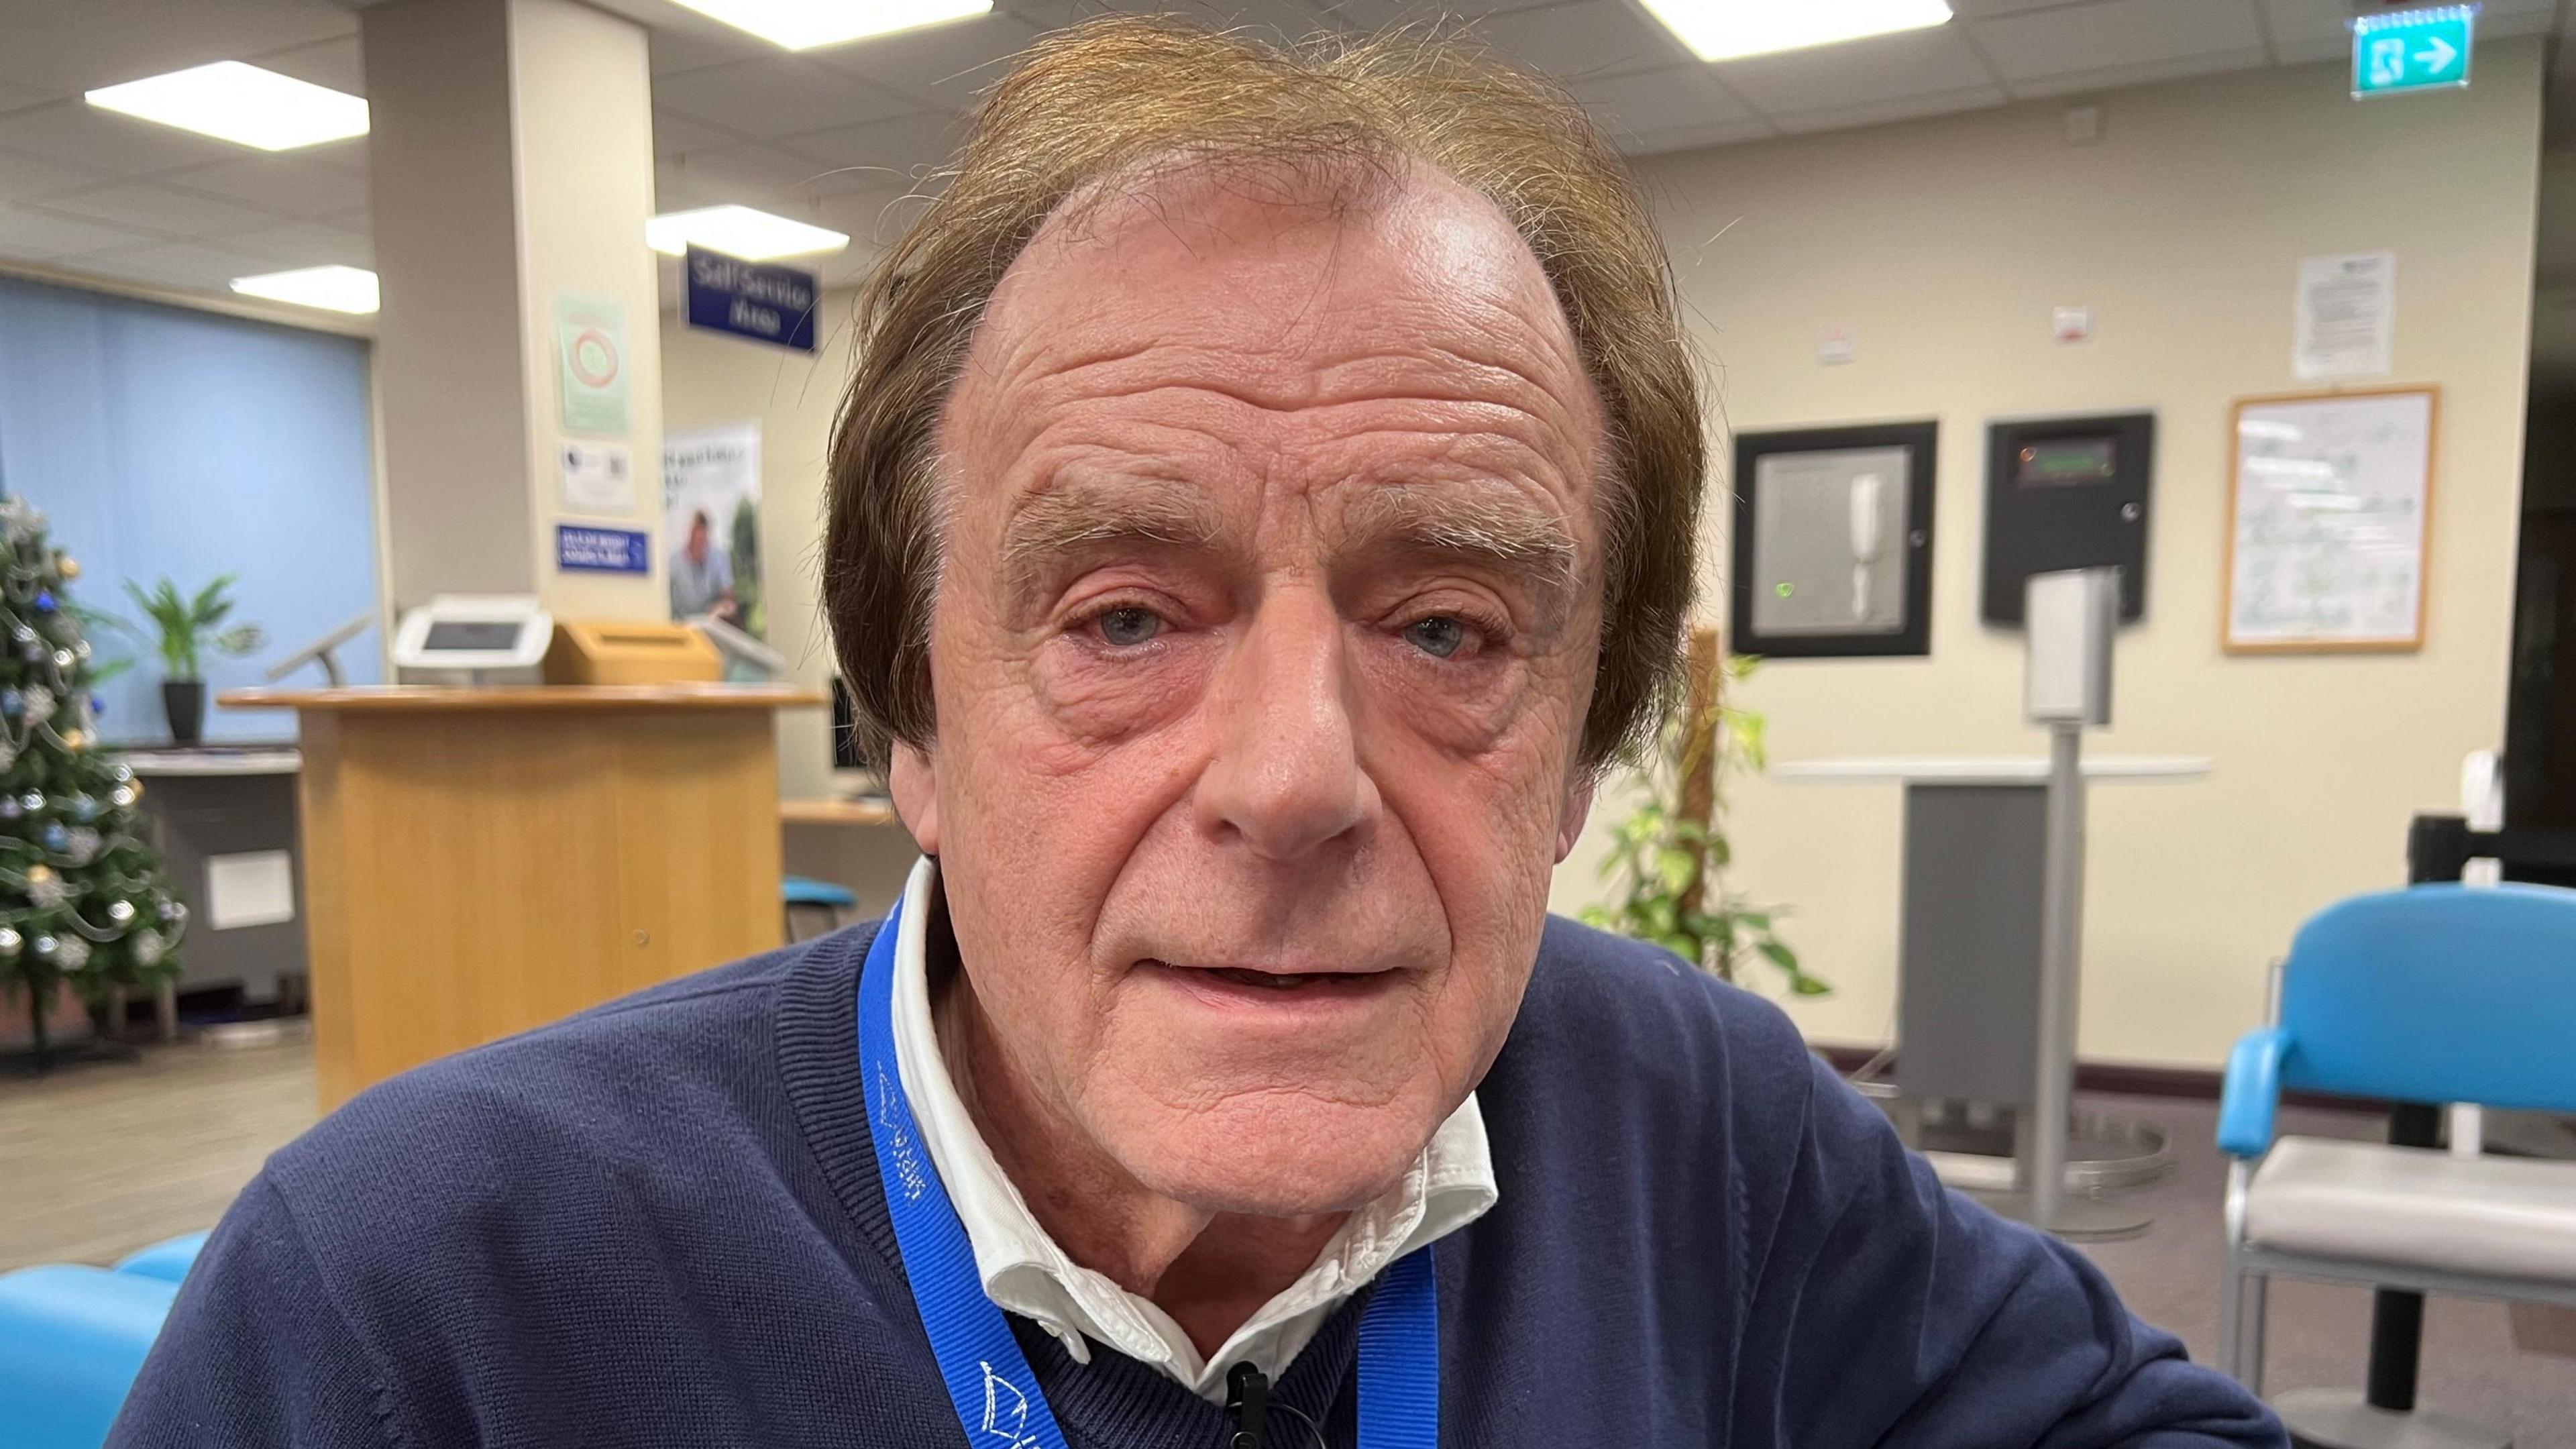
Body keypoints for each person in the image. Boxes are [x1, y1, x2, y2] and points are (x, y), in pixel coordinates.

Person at [112, 18, 2282, 1448]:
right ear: (918, 726)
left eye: (1448, 625)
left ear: (1583, 741)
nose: (1293, 781)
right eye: (1125, 614)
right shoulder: (424, 1298)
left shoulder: (1687, 1119)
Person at [668, 507, 737, 623]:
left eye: (702, 533)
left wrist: (721, 609)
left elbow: (729, 598)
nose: (698, 539)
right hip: (681, 626)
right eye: (694, 533)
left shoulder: (719, 558)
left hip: (712, 625)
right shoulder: (673, 562)